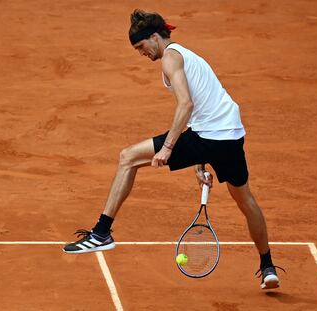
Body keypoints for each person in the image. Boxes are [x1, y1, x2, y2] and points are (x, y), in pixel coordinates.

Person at [64, 9, 283, 289]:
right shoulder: (188, 56)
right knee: (245, 200)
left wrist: (168, 148)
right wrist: (199, 163)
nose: (141, 53)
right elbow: (203, 110)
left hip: (209, 136)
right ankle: (267, 266)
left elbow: (186, 104)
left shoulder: (170, 58)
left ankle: (101, 233)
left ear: (155, 37)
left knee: (127, 158)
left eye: (142, 47)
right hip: (230, 135)